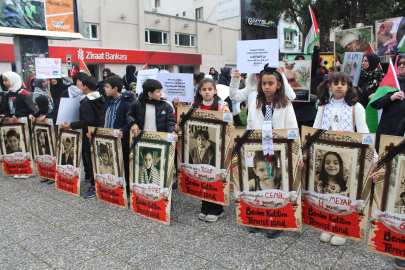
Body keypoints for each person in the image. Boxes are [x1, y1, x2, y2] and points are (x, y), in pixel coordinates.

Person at [314, 71, 378, 246]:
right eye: (336, 83)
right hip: (327, 157)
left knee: (344, 192)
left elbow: (364, 132)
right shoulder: (323, 106)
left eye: (343, 83)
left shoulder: (356, 107)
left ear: (348, 87)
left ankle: (342, 227)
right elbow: (315, 131)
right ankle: (328, 225)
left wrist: (375, 157)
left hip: (348, 157)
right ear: (330, 86)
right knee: (328, 191)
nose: (339, 86)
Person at [244, 64, 302, 238]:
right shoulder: (255, 103)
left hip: (278, 153)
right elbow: (249, 126)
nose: (267, 87)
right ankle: (258, 217)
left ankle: (275, 219)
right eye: (264, 83)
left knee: (276, 185)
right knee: (259, 186)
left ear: (278, 84)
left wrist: (297, 154)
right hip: (258, 152)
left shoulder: (285, 104)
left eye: (271, 83)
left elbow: (293, 131)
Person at [188, 77, 230, 223]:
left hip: (216, 148)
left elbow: (229, 125)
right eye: (204, 89)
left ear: (215, 91)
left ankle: (217, 209)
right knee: (202, 176)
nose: (207, 92)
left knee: (215, 177)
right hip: (200, 148)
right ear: (200, 91)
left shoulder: (222, 106)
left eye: (210, 89)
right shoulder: (196, 107)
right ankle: (205, 206)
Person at [61, 76, 105, 199]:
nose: (81, 88)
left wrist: (71, 125)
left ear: (85, 86)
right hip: (99, 132)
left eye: (81, 86)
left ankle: (93, 185)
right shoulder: (101, 98)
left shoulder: (87, 102)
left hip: (88, 134)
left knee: (90, 160)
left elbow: (87, 121)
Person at [101, 75, 135, 196]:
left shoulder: (126, 103)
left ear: (115, 88)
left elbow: (129, 122)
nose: (105, 89)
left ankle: (126, 188)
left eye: (107, 87)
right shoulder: (107, 101)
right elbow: (104, 118)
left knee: (124, 164)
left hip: (121, 140)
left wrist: (124, 131)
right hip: (108, 139)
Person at [370, 53, 405, 149]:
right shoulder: (391, 83)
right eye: (400, 63)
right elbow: (375, 103)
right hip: (388, 131)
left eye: (404, 63)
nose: (402, 65)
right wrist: (390, 98)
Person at [293, 40, 327, 130]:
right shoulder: (291, 76)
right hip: (295, 111)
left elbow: (315, 62)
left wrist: (316, 50)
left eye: (302, 60)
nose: (300, 62)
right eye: (298, 60)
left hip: (308, 111)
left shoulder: (309, 73)